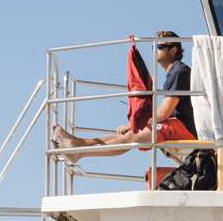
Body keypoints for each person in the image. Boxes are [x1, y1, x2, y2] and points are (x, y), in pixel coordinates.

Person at [53, 32, 197, 158]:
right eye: (153, 47)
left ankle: (78, 151)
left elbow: (164, 113)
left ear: (173, 50)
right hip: (177, 125)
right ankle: (78, 144)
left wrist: (132, 125)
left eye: (159, 46)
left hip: (183, 128)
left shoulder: (179, 72)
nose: (155, 50)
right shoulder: (176, 72)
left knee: (131, 136)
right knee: (127, 135)